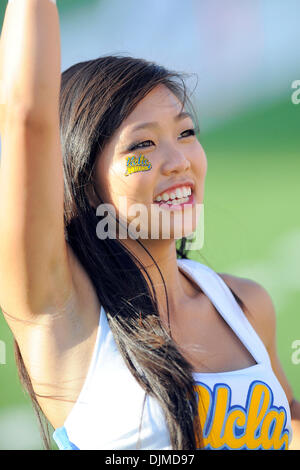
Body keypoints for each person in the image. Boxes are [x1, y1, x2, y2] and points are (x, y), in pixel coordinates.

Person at [0, 0, 299, 451]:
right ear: (80, 175)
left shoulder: (245, 305)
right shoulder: (63, 314)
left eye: (185, 133)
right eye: (143, 145)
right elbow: (25, 117)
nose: (179, 162)